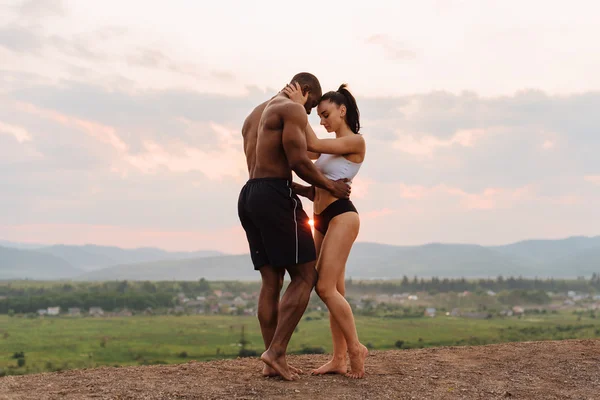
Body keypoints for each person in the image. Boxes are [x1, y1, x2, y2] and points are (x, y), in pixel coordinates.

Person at [237, 72, 351, 381]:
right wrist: (329, 185)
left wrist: (307, 190)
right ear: (306, 91)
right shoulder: (292, 108)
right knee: (305, 275)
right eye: (314, 104)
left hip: (249, 195)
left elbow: (268, 164)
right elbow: (299, 161)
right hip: (274, 197)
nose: (312, 113)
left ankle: (271, 359)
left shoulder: (254, 115)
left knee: (271, 280)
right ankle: (275, 352)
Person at [283, 82, 369, 379]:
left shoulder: (355, 142)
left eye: (325, 114)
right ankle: (338, 358)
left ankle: (356, 349)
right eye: (318, 116)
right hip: (320, 218)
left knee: (324, 287)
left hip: (342, 217)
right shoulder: (331, 151)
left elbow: (313, 144)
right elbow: (306, 151)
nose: (321, 121)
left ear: (342, 110)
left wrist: (297, 108)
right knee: (335, 290)